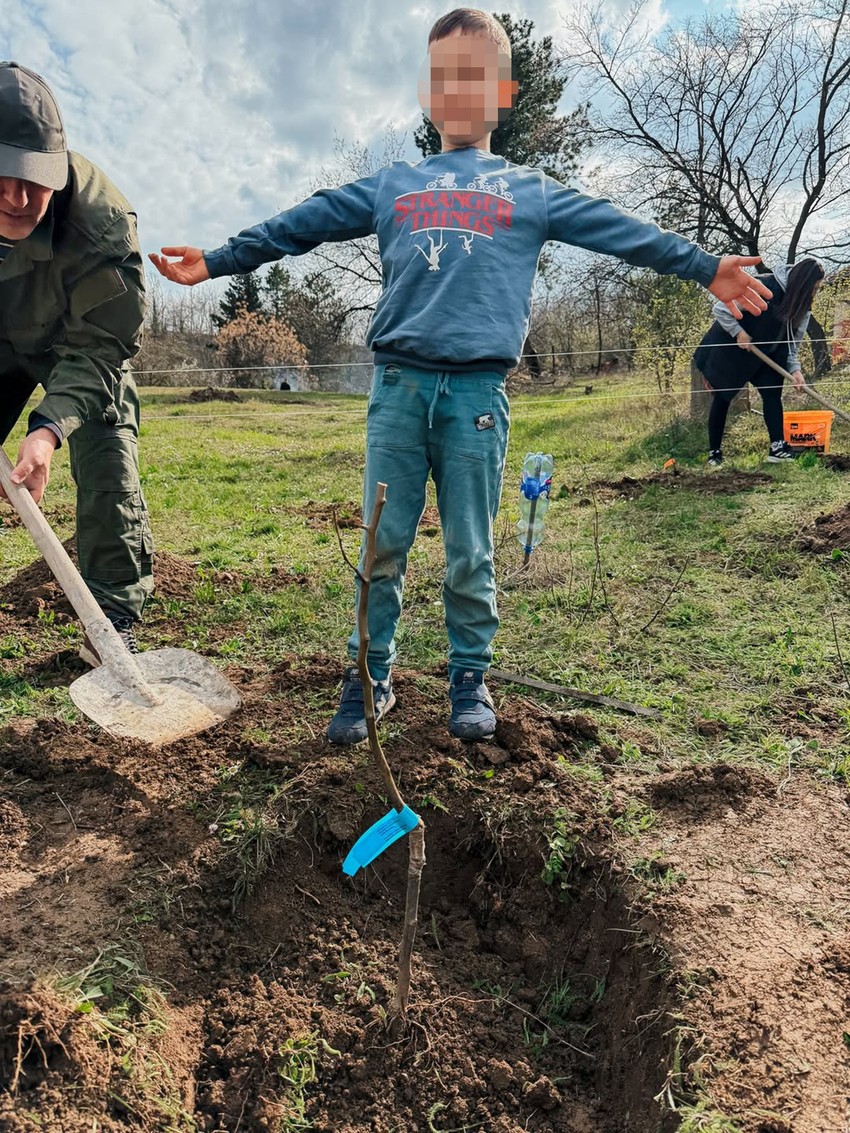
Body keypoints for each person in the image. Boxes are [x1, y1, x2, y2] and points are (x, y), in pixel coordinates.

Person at [150, 7, 771, 743]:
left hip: (478, 397)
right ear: (427, 92)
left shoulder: (530, 190)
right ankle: (367, 677)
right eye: (444, 76)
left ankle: (469, 677)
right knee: (382, 545)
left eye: (474, 76)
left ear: (501, 92)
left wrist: (704, 267)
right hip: (398, 391)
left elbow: (619, 229)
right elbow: (305, 222)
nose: (458, 90)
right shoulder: (393, 185)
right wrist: (220, 259)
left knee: (471, 546)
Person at [0, 62, 152, 661]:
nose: (17, 197)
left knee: (108, 457)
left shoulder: (104, 226)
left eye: (35, 179)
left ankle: (111, 621)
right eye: (3, 176)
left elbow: (102, 349)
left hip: (80, 348)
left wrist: (47, 430)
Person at [694, 258, 825, 466]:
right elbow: (720, 309)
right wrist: (739, 332)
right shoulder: (764, 286)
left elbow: (792, 345)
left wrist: (796, 371)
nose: (814, 293)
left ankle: (777, 448)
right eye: (814, 287)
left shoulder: (803, 307)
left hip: (768, 355)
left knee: (772, 394)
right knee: (723, 396)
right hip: (735, 351)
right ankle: (715, 454)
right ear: (803, 284)